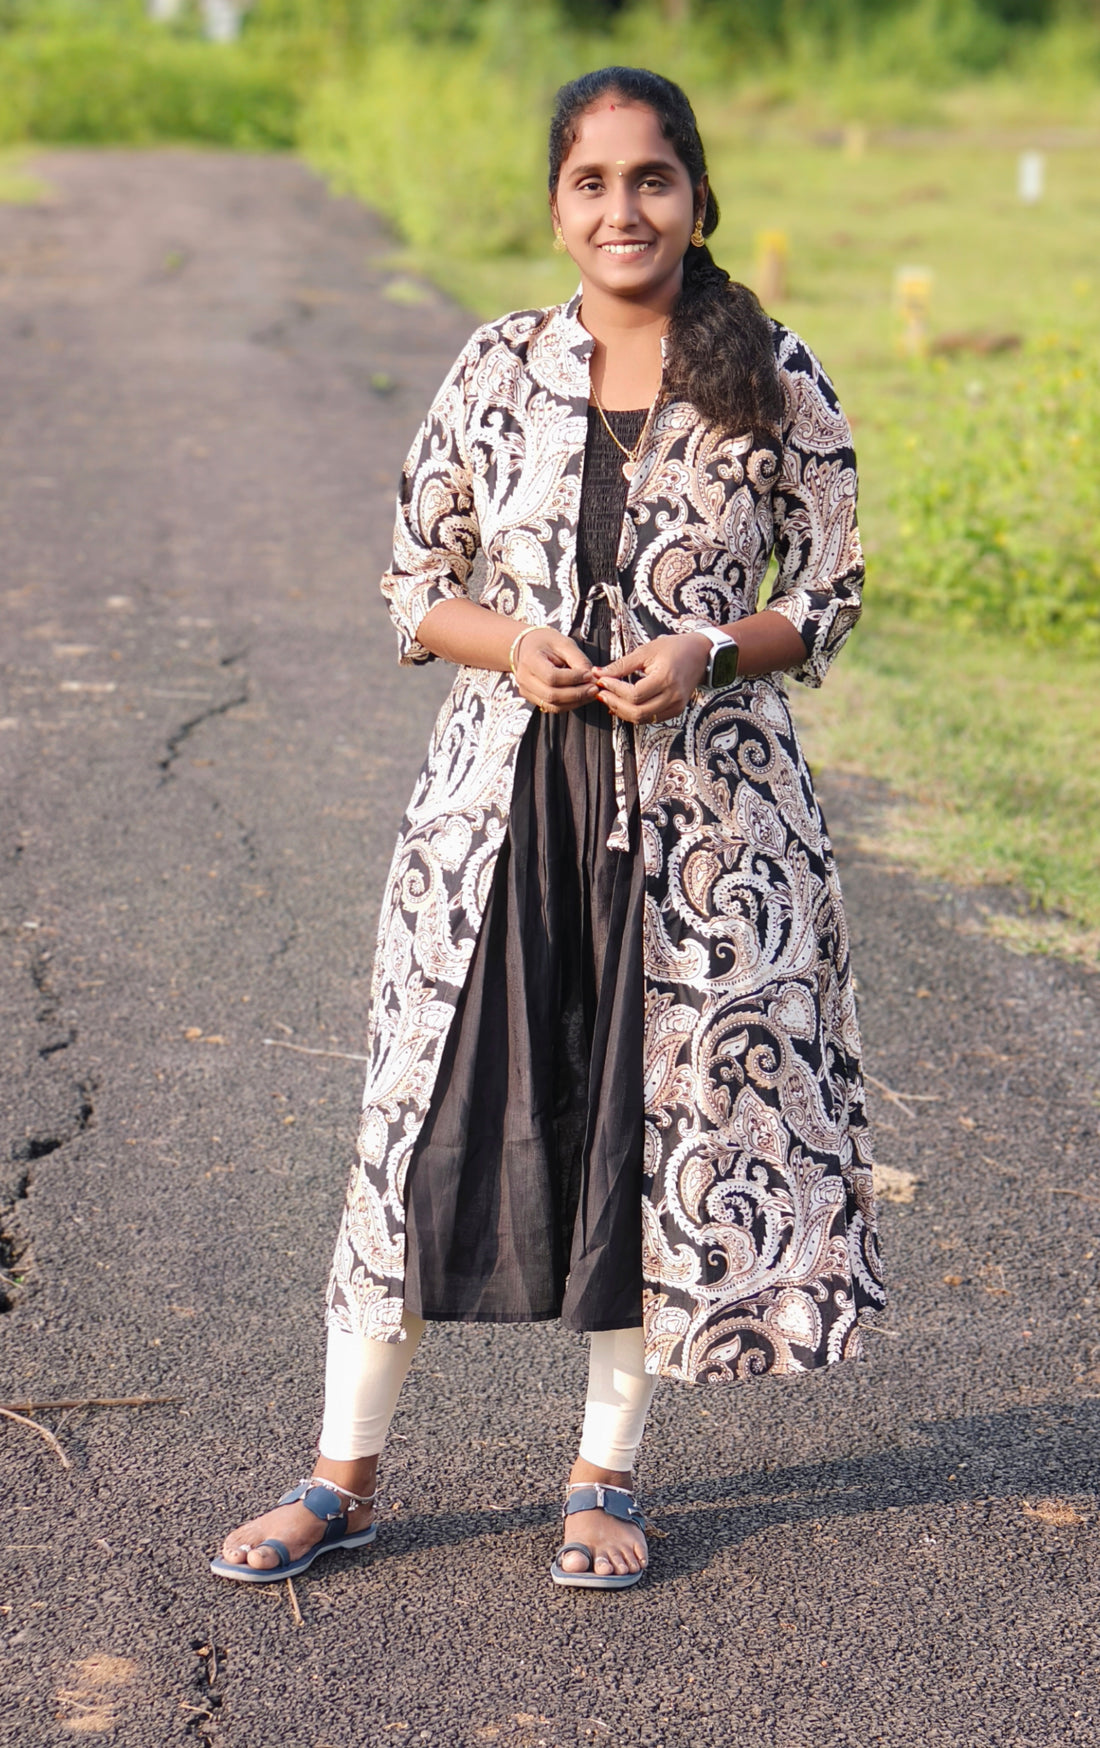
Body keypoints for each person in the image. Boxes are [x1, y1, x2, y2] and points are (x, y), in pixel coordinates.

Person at [213, 64, 885, 1593]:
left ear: (698, 195)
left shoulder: (771, 372)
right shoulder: (499, 362)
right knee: (416, 1128)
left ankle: (603, 1476)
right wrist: (514, 645)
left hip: (703, 838)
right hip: (494, 823)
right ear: (558, 205)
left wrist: (708, 650)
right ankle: (341, 1478)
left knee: (644, 1139)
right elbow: (414, 581)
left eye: (651, 179)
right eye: (593, 182)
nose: (623, 208)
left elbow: (831, 589)